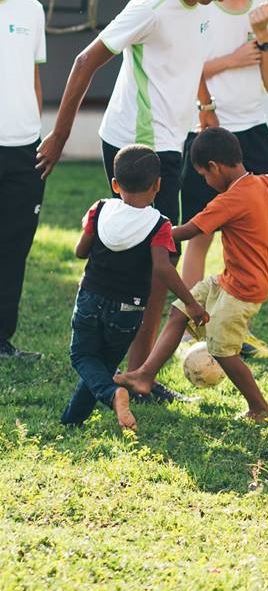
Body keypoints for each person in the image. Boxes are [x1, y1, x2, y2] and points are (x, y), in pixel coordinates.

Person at [35, 0, 248, 400]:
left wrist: (204, 112)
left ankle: (139, 374)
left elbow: (186, 66)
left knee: (157, 261)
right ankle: (126, 371)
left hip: (173, 141)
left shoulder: (202, 4)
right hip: (137, 143)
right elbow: (84, 60)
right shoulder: (153, 4)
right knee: (146, 261)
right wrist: (59, 135)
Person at [114, 128, 268, 423]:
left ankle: (260, 408)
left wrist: (138, 232)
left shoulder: (230, 200)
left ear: (214, 167)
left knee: (223, 350)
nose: (206, 181)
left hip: (243, 290)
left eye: (204, 175)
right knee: (179, 313)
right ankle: (145, 376)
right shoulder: (263, 183)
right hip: (226, 280)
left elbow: (187, 231)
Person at [60, 145, 208, 431]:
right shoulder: (159, 224)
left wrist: (87, 233)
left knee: (82, 356)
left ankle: (109, 397)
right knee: (102, 363)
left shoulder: (100, 209)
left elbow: (81, 251)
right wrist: (191, 303)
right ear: (158, 185)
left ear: (115, 184)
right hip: (129, 310)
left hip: (91, 298)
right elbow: (163, 268)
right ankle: (74, 418)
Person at [180, 0, 268, 357]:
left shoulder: (267, 4)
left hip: (252, 131)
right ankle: (189, 326)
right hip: (208, 130)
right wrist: (229, 67)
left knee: (250, 239)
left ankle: (234, 330)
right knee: (200, 235)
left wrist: (263, 36)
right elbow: (191, 69)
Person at [0, 0, 45, 361]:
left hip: (24, 151)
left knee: (13, 248)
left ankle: (1, 341)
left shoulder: (31, 9)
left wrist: (40, 134)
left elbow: (33, 75)